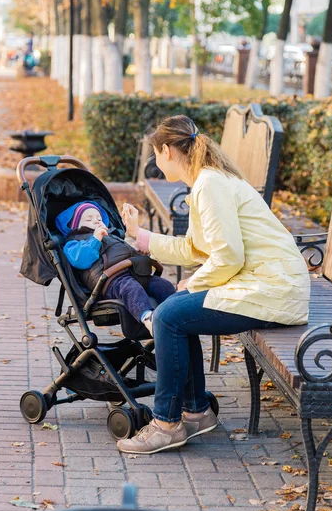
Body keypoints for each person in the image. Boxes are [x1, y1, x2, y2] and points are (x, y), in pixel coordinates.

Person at [119, 114, 310, 455]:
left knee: (167, 316)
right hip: (265, 283)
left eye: (156, 156)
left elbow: (230, 256)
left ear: (166, 151)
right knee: (174, 314)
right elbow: (195, 248)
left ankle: (166, 424)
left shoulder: (210, 184)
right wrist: (141, 237)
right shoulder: (206, 182)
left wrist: (193, 284)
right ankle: (196, 412)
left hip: (274, 288)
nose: (157, 163)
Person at [55, 201, 176, 333]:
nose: (96, 221)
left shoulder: (111, 236)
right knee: (131, 288)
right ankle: (148, 318)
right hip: (110, 280)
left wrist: (139, 253)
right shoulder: (74, 243)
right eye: (89, 219)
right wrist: (95, 239)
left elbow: (125, 251)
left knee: (164, 286)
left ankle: (175, 314)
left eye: (99, 218)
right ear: (74, 226)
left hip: (133, 272)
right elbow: (81, 260)